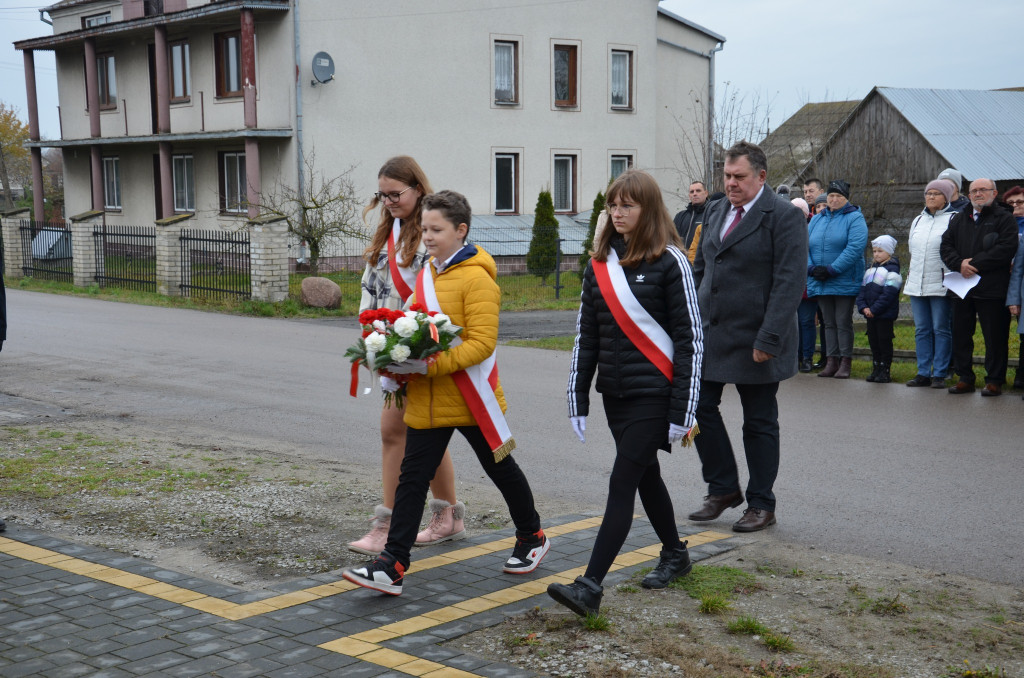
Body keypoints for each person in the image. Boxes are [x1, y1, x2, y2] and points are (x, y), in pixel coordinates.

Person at [343, 190, 549, 595]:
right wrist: (393, 353)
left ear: (461, 230)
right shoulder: (427, 275)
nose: (427, 236)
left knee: (501, 469)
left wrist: (431, 365)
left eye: (436, 230)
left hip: (470, 397)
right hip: (428, 396)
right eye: (424, 229)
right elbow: (415, 325)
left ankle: (532, 537)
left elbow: (482, 343)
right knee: (412, 479)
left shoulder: (478, 278)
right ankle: (392, 564)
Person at [549, 169, 702, 617]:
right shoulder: (599, 265)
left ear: (647, 209)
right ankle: (675, 554)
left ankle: (590, 587)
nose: (617, 213)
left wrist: (684, 410)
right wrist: (578, 395)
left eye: (627, 206)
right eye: (612, 205)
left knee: (622, 482)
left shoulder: (671, 261)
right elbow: (587, 337)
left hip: (656, 394)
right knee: (645, 475)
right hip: (615, 394)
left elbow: (691, 339)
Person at [688, 141, 807, 532]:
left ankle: (761, 503)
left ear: (761, 176)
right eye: (726, 175)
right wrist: (693, 319)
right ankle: (722, 487)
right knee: (696, 409)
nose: (731, 183)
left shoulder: (784, 216)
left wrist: (769, 338)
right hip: (713, 333)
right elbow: (702, 269)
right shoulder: (716, 209)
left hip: (758, 337)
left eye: (739, 176)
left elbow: (789, 282)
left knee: (759, 421)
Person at [351, 156, 464, 556]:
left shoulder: (433, 232)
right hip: (390, 350)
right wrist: (371, 338)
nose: (388, 201)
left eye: (395, 194)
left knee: (395, 432)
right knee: (425, 433)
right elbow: (372, 288)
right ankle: (448, 516)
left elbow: (442, 292)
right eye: (382, 195)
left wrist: (420, 343)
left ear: (417, 188)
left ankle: (387, 525)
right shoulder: (387, 232)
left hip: (420, 351)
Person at [940, 178, 1018, 396]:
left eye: (983, 190)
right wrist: (959, 264)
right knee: (961, 335)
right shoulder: (959, 218)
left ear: (994, 193)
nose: (977, 194)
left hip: (992, 288)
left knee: (995, 337)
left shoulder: (1004, 218)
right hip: (961, 287)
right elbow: (945, 245)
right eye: (974, 190)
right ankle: (965, 377)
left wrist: (974, 264)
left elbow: (1006, 248)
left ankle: (994, 380)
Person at [807, 179, 869, 379]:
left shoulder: (855, 218)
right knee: (828, 322)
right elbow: (805, 245)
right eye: (831, 196)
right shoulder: (817, 219)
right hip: (820, 279)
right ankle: (831, 361)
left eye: (838, 196)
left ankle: (845, 361)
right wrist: (811, 268)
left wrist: (832, 269)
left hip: (843, 279)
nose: (833, 199)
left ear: (846, 198)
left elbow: (855, 248)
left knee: (842, 321)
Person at [904, 180, 956, 388]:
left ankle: (940, 373)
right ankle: (923, 372)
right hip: (917, 282)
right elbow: (912, 249)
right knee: (922, 329)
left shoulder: (953, 219)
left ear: (946, 197)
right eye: (928, 193)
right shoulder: (918, 220)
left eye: (936, 193)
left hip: (942, 283)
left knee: (940, 328)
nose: (931, 197)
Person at [856, 235, 902, 383]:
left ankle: (885, 369)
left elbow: (889, 294)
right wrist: (863, 307)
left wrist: (874, 309)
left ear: (889, 252)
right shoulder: (870, 270)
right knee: (873, 341)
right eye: (874, 251)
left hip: (884, 315)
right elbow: (862, 291)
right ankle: (876, 367)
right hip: (870, 314)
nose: (876, 254)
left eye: (880, 251)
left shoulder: (893, 271)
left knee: (884, 341)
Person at [792, 197, 818, 373]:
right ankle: (796, 356)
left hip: (808, 283)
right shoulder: (786, 227)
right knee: (793, 324)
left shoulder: (812, 228)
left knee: (806, 321)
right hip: (791, 284)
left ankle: (807, 357)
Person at [1004, 186, 1024, 389]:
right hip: (1008, 284)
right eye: (1010, 203)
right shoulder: (1004, 225)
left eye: (1020, 202)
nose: (1015, 206)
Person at [672, 180, 710, 263]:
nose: (694, 194)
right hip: (680, 262)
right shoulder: (680, 216)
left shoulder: (711, 215)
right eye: (692, 192)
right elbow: (672, 239)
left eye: (698, 191)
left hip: (702, 264)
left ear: (706, 193)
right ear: (689, 195)